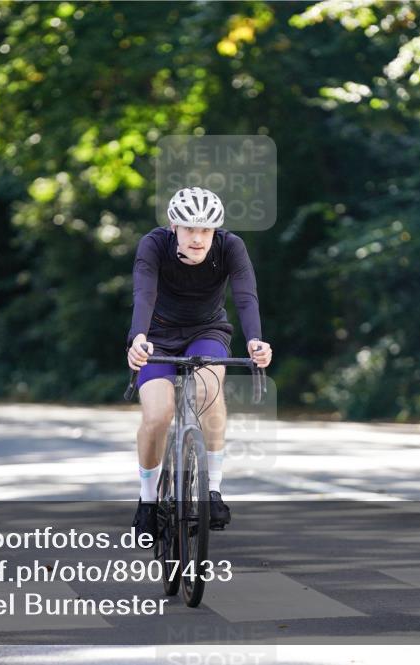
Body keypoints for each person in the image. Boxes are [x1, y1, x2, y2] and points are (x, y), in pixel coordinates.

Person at [126, 187, 272, 543]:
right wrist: (137, 338)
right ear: (173, 226)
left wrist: (255, 340)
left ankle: (213, 491)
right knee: (158, 416)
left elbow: (245, 295)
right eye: (189, 228)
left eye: (205, 230)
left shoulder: (230, 247)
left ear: (215, 232)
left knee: (210, 393)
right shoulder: (153, 245)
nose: (197, 237)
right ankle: (148, 502)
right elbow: (144, 293)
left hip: (207, 331)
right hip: (157, 336)